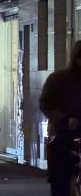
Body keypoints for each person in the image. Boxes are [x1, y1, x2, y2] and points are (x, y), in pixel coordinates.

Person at [41, 41, 81, 196]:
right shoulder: (59, 79)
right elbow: (46, 103)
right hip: (64, 133)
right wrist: (65, 119)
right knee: (61, 179)